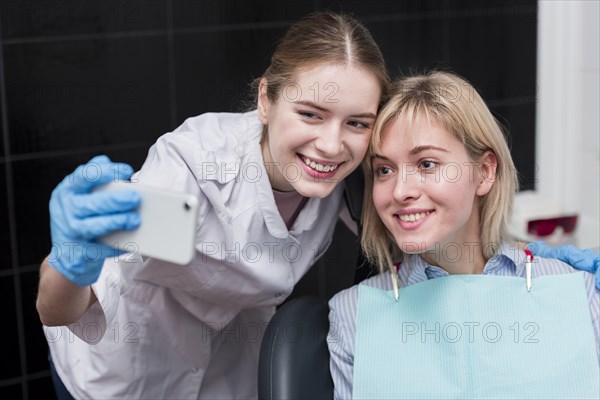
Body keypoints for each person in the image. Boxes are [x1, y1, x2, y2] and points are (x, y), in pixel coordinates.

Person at [36, 11, 595, 399]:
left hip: (230, 360)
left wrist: (536, 265)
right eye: (309, 114)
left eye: (357, 124)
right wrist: (70, 260)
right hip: (124, 357)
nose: (331, 146)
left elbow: (431, 210)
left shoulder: (351, 175)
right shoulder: (194, 173)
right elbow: (62, 308)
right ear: (264, 98)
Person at [327, 71, 600, 399]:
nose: (400, 191)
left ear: (484, 172)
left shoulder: (579, 293)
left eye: (427, 164)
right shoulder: (353, 316)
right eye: (384, 170)